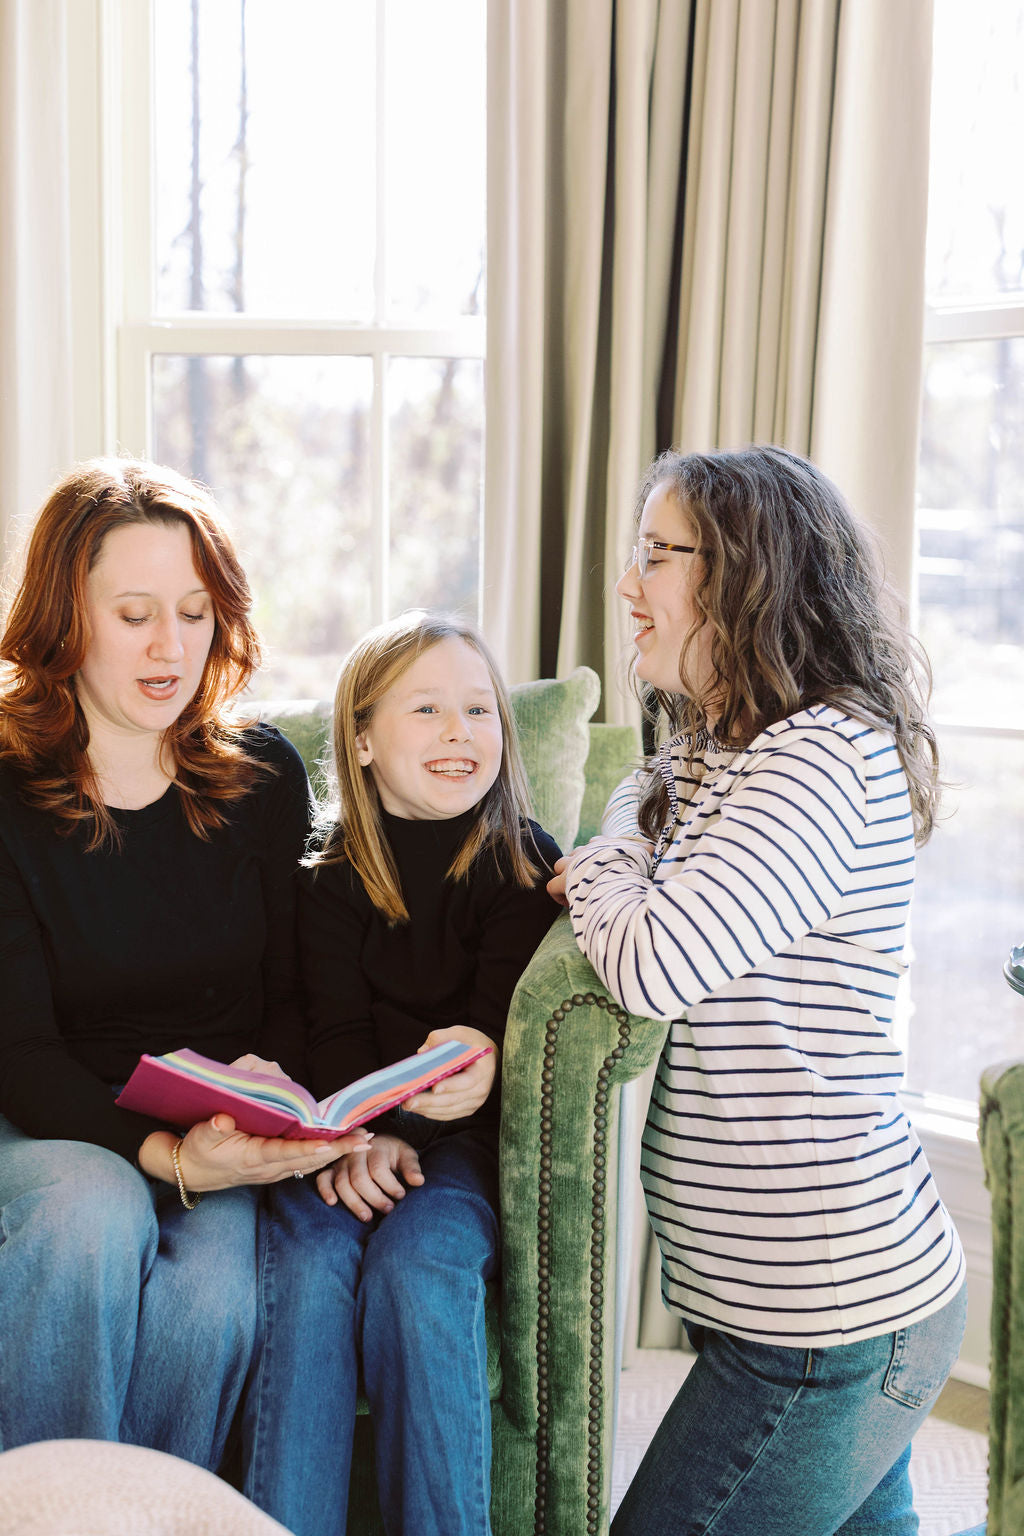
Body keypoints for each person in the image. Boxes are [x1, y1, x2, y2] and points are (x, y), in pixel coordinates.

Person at [550, 446, 971, 1536]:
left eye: (658, 555)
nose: (627, 584)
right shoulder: (714, 747)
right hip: (785, 1309)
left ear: (748, 573)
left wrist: (594, 868)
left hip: (829, 1319)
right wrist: (617, 851)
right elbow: (629, 797)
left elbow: (654, 963)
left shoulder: (820, 757)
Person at [0, 458, 368, 1466]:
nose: (171, 646)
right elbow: (20, 1052)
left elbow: (289, 995)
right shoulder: (6, 790)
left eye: (196, 613)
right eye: (134, 615)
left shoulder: (262, 775)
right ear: (65, 622)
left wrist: (256, 1108)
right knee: (92, 1211)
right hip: (44, 1118)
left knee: (210, 1302)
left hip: (216, 1124)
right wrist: (167, 1159)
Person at [242, 611, 562, 1536]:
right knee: (308, 1266)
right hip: (337, 1137)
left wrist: (479, 1067)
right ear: (363, 741)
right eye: (426, 709)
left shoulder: (522, 860)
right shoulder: (327, 874)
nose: (460, 731)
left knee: (420, 1269)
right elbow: (333, 1027)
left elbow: (495, 1022)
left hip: (460, 1149)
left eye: (479, 709)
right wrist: (360, 1135)